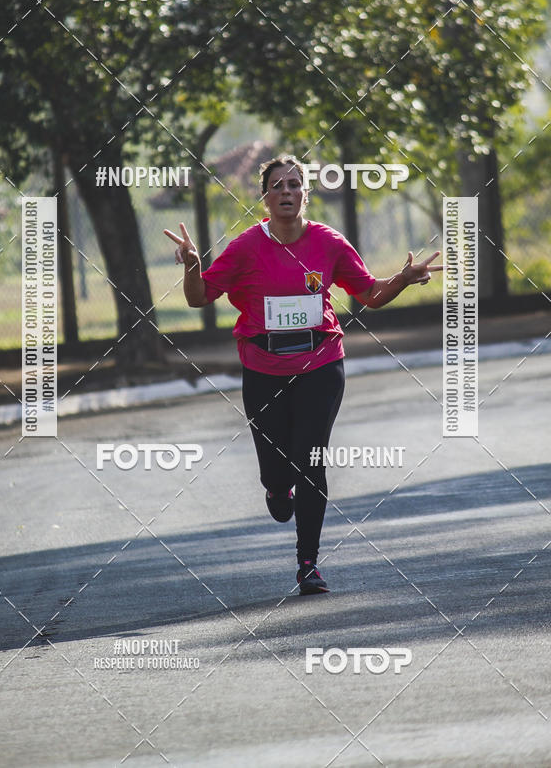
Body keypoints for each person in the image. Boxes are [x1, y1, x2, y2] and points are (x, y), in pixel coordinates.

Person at [164, 154, 442, 595]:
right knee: (278, 473)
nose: (287, 192)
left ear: (305, 194)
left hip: (321, 366)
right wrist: (192, 264)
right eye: (278, 186)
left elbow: (368, 293)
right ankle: (277, 490)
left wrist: (404, 279)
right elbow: (199, 298)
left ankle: (308, 564)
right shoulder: (245, 247)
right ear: (265, 197)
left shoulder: (328, 242)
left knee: (311, 460)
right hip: (263, 370)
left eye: (295, 185)